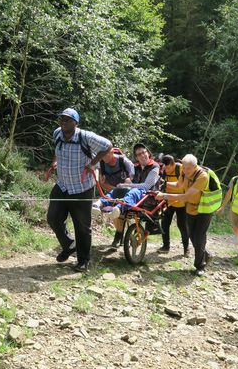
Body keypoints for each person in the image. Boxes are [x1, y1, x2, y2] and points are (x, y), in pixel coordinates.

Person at [47, 108, 112, 272]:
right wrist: (55, 161)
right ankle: (69, 245)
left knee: (82, 226)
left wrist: (92, 163)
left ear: (76, 123)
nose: (63, 122)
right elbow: (57, 150)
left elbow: (108, 145)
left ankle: (83, 261)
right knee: (53, 218)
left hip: (82, 188)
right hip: (62, 185)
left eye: (68, 120)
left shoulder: (85, 136)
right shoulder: (57, 134)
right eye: (62, 119)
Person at [155, 154, 222, 276]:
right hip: (191, 207)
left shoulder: (203, 176)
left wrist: (164, 195)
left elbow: (186, 195)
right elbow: (179, 185)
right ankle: (206, 255)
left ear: (195, 166)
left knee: (199, 235)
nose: (185, 171)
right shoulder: (184, 172)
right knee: (191, 235)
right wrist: (163, 184)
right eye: (184, 168)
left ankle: (200, 266)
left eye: (188, 169)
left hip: (204, 208)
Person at [106, 143, 160, 250]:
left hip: (148, 199)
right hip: (135, 197)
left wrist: (127, 185)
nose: (142, 155)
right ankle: (102, 204)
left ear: (148, 153)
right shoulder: (136, 168)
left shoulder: (155, 167)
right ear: (136, 157)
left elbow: (146, 186)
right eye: (139, 154)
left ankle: (120, 236)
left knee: (127, 198)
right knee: (119, 196)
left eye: (144, 152)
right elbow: (129, 180)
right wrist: (125, 183)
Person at [158, 155, 190, 257]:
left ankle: (186, 249)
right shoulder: (163, 170)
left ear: (173, 164)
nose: (166, 170)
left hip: (182, 202)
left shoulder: (180, 168)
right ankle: (166, 246)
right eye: (164, 168)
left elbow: (182, 184)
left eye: (168, 168)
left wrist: (165, 183)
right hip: (169, 201)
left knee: (182, 226)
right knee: (164, 224)